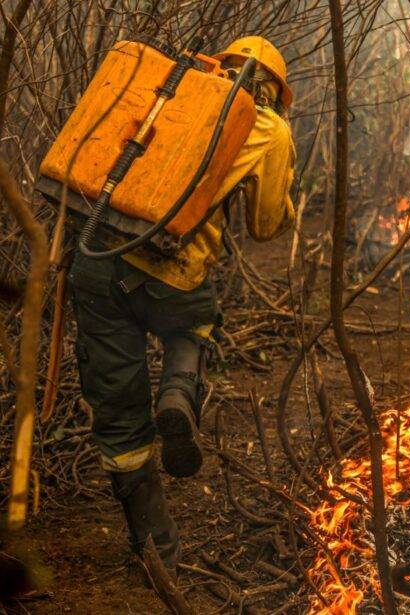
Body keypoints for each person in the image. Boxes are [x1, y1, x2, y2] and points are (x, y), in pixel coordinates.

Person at [66, 36, 296, 571]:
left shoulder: (170, 88)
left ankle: (156, 547)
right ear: (277, 91)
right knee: (193, 323)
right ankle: (177, 395)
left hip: (97, 258)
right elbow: (264, 225)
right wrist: (283, 197)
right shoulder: (268, 125)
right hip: (174, 273)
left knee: (119, 411)